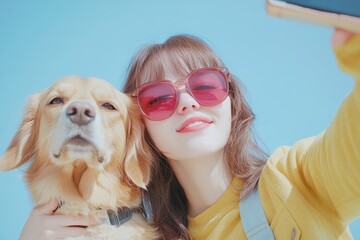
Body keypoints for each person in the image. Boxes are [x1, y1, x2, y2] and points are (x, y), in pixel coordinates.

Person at [19, 29, 359, 239]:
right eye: (158, 98)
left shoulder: (296, 178)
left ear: (232, 102)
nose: (185, 102)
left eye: (205, 85)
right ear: (138, 133)